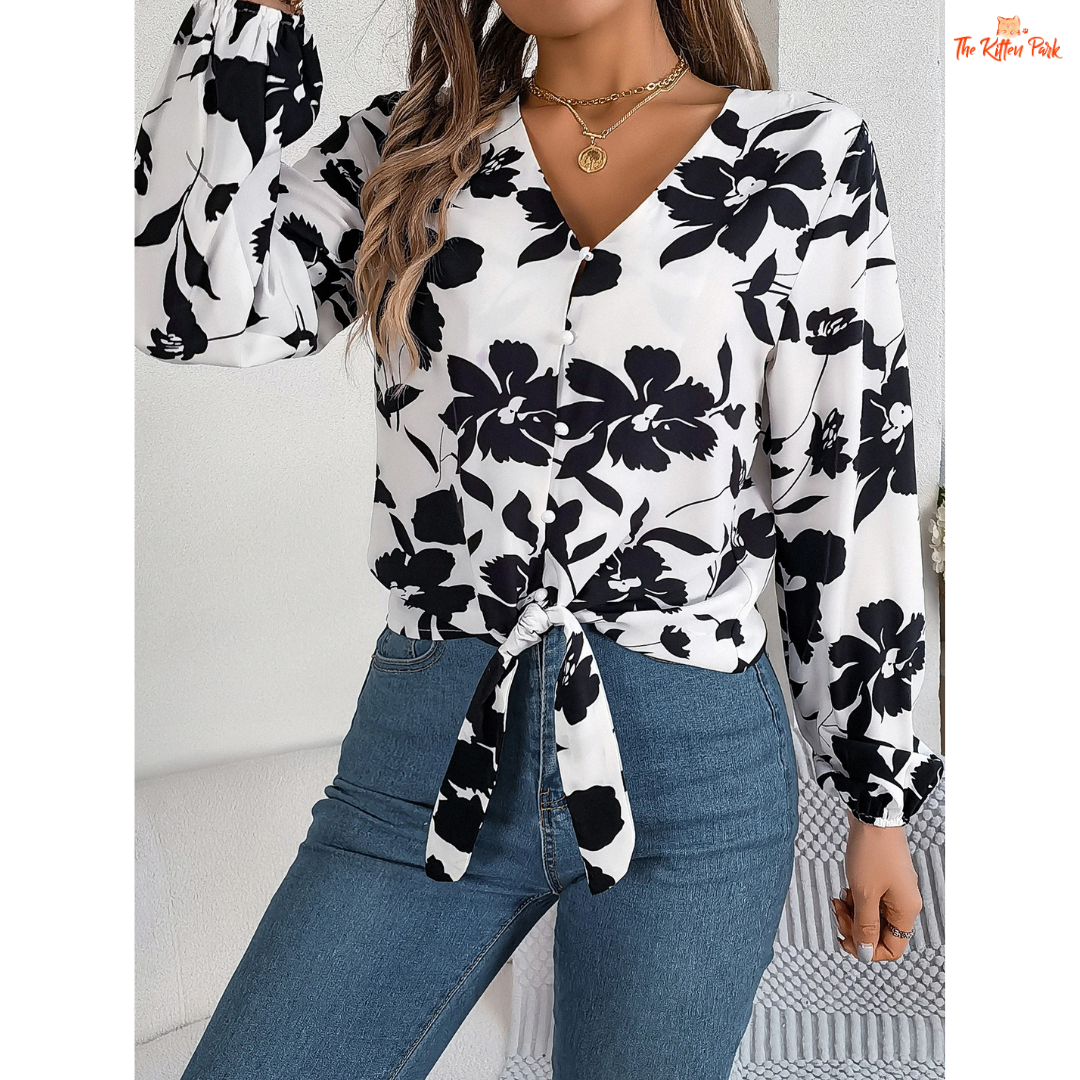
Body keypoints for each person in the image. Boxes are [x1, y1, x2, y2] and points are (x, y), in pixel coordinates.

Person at [134, 0, 944, 1076]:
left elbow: (847, 480)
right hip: (426, 746)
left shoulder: (802, 156)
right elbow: (189, 303)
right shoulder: (410, 154)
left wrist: (878, 801)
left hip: (692, 769)